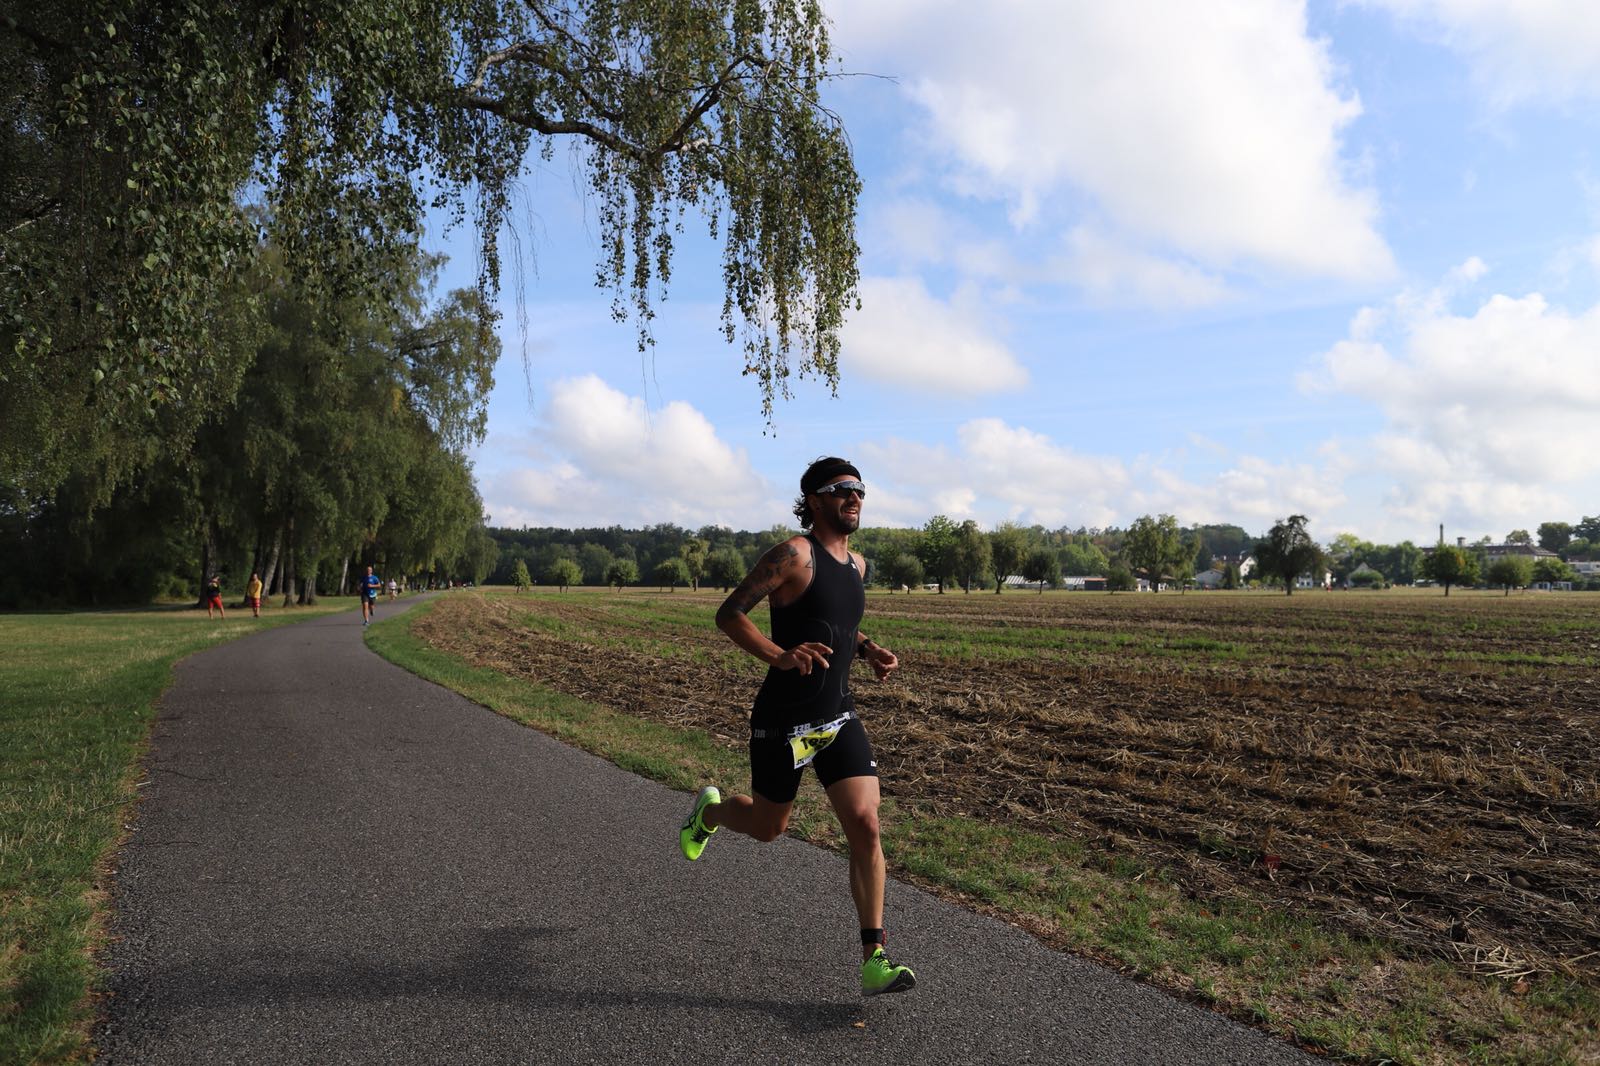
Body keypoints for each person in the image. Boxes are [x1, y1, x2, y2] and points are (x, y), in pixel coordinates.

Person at [679, 456, 916, 997]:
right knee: (769, 827)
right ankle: (709, 811)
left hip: (838, 717)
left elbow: (837, 624)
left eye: (859, 489)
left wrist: (868, 648)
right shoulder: (792, 554)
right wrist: (779, 655)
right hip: (785, 719)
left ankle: (874, 957)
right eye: (840, 489)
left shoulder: (857, 566)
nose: (853, 497)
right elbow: (730, 613)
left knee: (866, 825)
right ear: (813, 498)